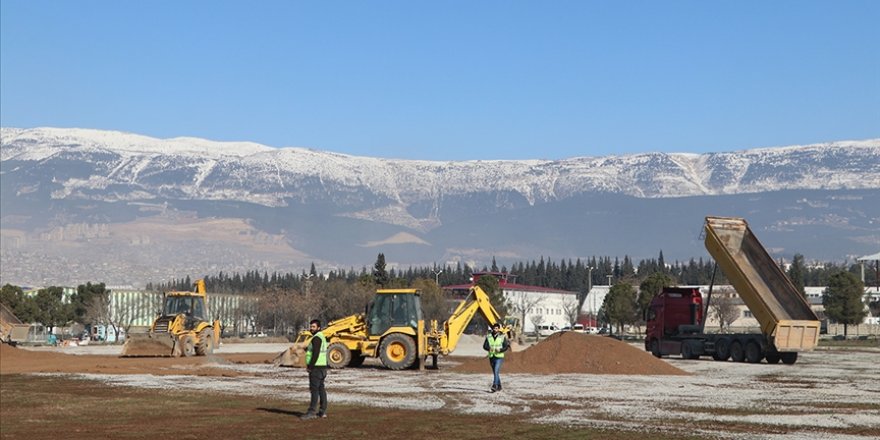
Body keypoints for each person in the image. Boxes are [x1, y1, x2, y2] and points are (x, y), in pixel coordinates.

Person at [300, 319, 328, 419]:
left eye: (313, 327)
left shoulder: (316, 338)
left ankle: (311, 412)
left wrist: (310, 367)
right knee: (321, 389)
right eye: (311, 326)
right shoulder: (322, 337)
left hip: (316, 368)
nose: (311, 328)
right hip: (323, 367)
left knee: (314, 390)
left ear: (319, 328)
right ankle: (322, 411)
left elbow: (316, 353)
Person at [483, 322, 510, 392]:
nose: (495, 329)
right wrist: (489, 348)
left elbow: (506, 347)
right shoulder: (488, 336)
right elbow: (484, 346)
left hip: (499, 356)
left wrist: (500, 350)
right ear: (492, 329)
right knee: (496, 372)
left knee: (496, 370)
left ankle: (494, 385)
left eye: (497, 328)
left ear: (498, 329)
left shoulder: (502, 337)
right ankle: (499, 386)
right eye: (494, 328)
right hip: (491, 356)